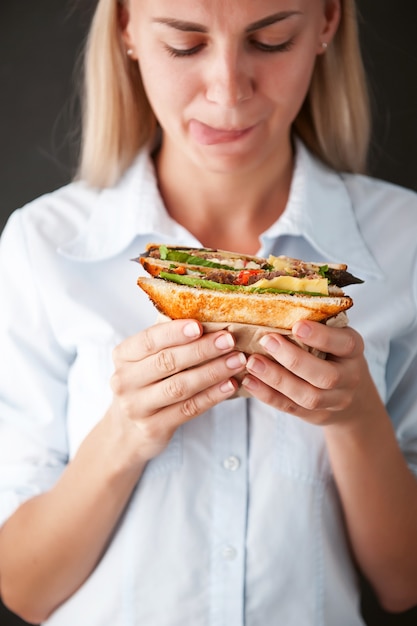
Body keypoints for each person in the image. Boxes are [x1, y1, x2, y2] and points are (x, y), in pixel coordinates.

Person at [0, 0, 417, 624]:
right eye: (184, 45)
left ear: (327, 23)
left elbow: (404, 585)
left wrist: (356, 417)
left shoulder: (404, 240)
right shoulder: (43, 246)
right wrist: (126, 433)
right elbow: (21, 589)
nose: (228, 90)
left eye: (271, 41)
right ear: (126, 30)